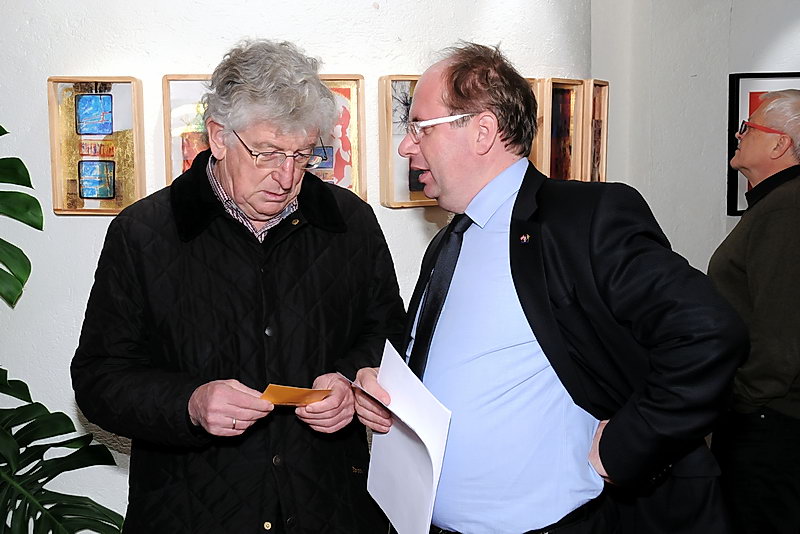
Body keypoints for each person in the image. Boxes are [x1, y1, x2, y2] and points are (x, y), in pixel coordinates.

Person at [354, 42, 747, 534]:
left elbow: (709, 333)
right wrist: (387, 391)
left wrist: (628, 444)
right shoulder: (450, 240)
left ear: (482, 131)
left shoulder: (582, 219)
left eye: (419, 127)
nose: (405, 147)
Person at [71, 39, 404, 534]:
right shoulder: (143, 233)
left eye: (302, 155)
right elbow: (99, 379)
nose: (286, 176)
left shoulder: (350, 223)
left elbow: (390, 338)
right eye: (267, 153)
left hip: (328, 506)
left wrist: (350, 382)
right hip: (191, 514)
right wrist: (189, 403)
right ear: (219, 137)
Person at [708, 89, 800, 534]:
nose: (739, 134)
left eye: (749, 127)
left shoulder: (788, 207)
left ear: (781, 144)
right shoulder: (777, 204)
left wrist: (741, 400)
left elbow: (782, 335)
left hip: (770, 424)